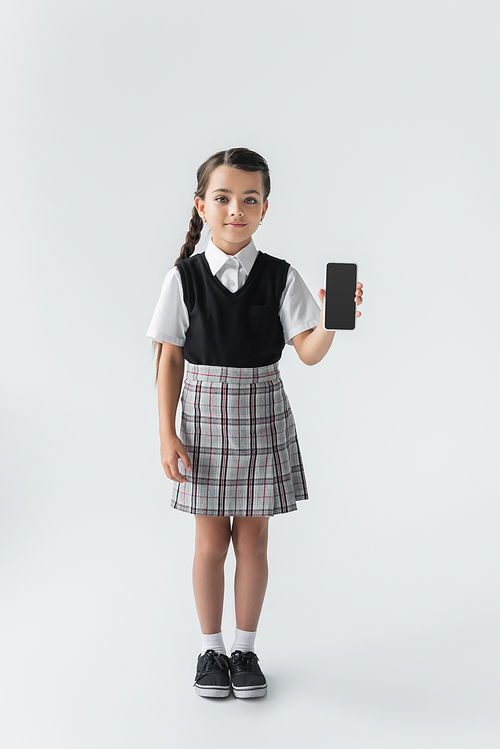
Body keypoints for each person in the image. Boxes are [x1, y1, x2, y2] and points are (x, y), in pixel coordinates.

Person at [146, 147, 363, 699]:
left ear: (266, 208)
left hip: (262, 410)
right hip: (203, 416)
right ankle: (211, 650)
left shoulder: (280, 277)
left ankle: (244, 648)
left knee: (254, 539)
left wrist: (336, 319)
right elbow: (169, 357)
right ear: (202, 206)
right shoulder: (184, 278)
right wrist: (168, 432)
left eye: (249, 199)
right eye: (222, 198)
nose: (235, 209)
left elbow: (307, 352)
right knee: (209, 541)